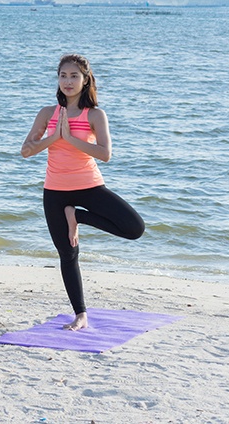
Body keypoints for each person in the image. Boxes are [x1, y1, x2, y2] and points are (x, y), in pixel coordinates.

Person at [20, 54, 145, 331]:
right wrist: (54, 137)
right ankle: (80, 314)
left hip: (89, 186)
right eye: (63, 75)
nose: (68, 81)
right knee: (68, 254)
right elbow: (26, 151)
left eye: (74, 76)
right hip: (55, 191)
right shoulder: (47, 114)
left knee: (134, 228)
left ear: (85, 79)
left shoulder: (95, 115)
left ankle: (78, 216)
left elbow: (105, 154)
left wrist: (72, 139)